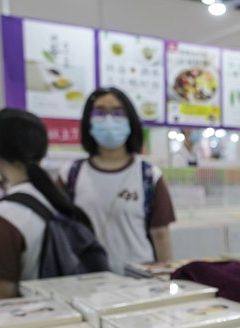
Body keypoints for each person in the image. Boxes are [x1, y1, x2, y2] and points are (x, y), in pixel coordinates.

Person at [0, 109, 97, 300]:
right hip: (75, 315)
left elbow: (2, 295)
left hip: (34, 322)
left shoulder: (3, 215)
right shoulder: (59, 201)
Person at [59, 87, 175, 274]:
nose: (109, 119)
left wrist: (169, 279)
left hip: (140, 282)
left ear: (130, 120)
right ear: (88, 121)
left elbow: (161, 235)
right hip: (85, 283)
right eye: (99, 112)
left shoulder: (149, 175)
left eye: (117, 112)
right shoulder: (70, 174)